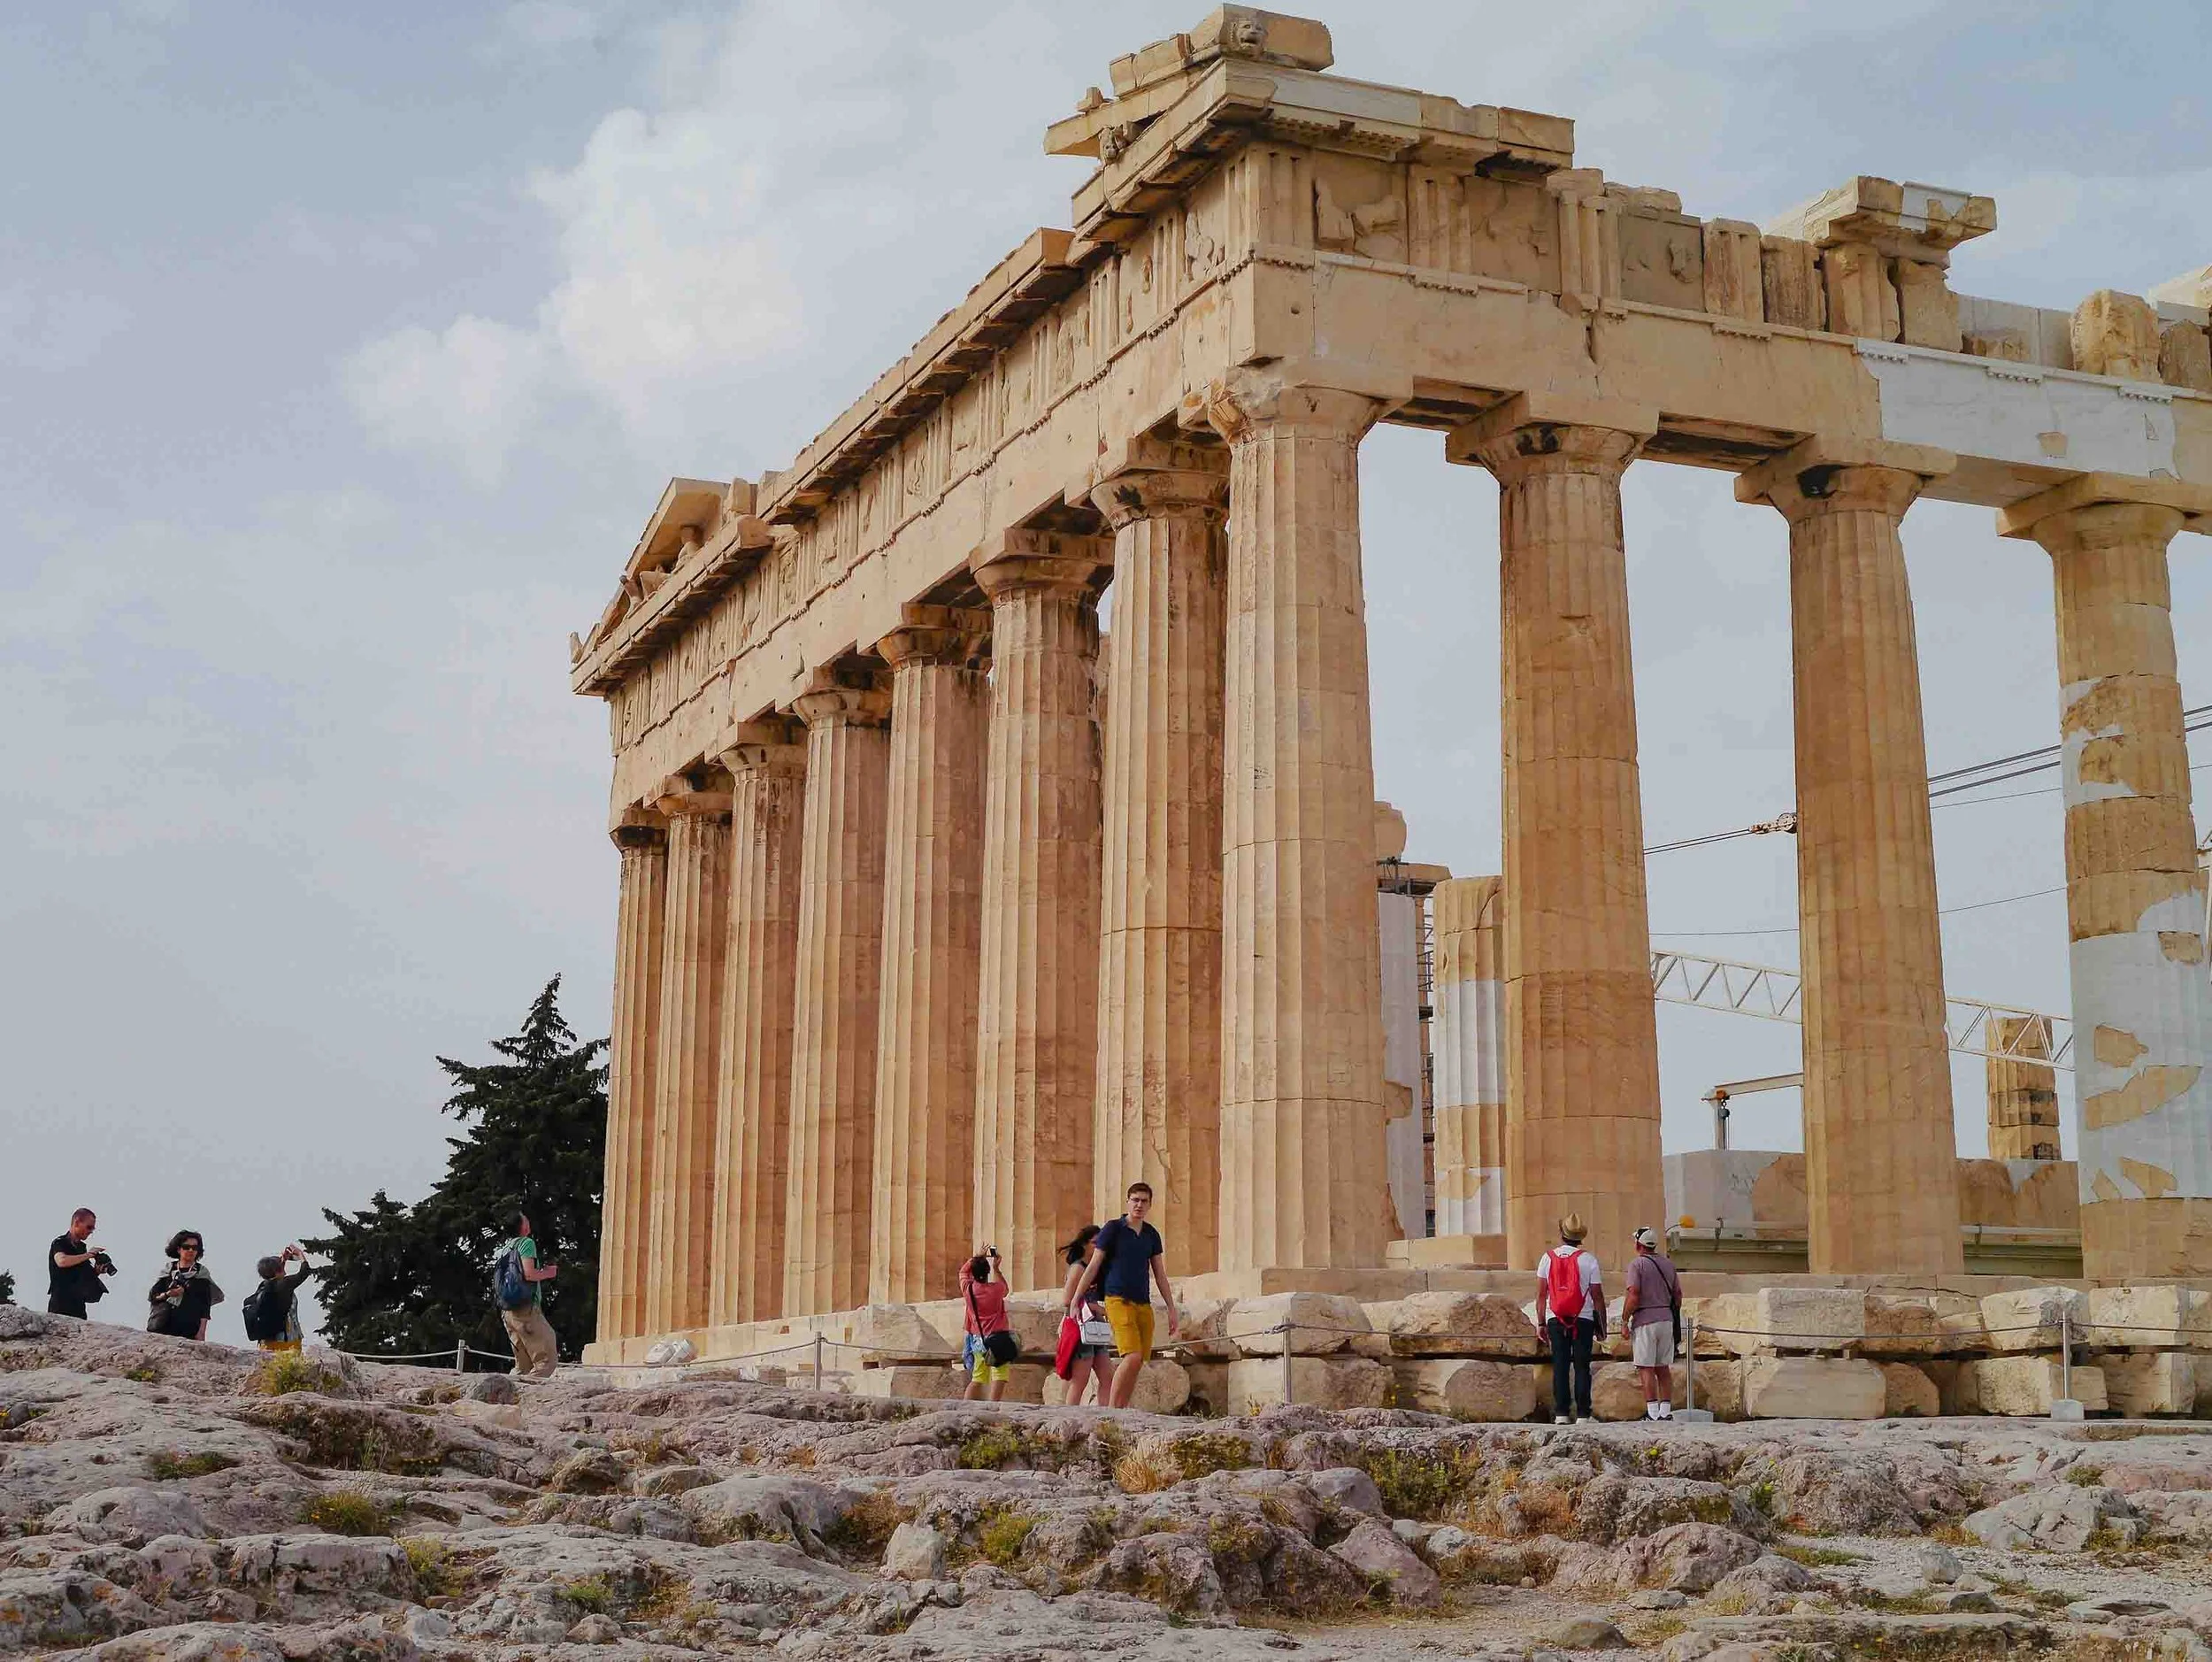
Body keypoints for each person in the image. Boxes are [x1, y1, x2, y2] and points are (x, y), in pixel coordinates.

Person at [1068, 1181, 1180, 1409]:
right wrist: (1075, 1299)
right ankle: (1112, 1410)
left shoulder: (1151, 1234)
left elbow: (1160, 1274)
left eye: (1144, 1201)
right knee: (1132, 1356)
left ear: (1150, 1204)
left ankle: (1121, 1410)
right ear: (1128, 1201)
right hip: (1117, 1299)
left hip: (1143, 1302)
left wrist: (1171, 1308)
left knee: (1139, 1362)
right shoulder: (1113, 1228)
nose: (1139, 1205)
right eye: (1135, 1200)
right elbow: (1093, 1266)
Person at [1533, 1212, 1603, 1425]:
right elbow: (1597, 1295)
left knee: (1560, 1366)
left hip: (1555, 1318)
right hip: (1582, 1319)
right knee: (1582, 1367)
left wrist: (1541, 1322)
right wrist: (1602, 1324)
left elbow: (1541, 1294)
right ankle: (1583, 1414)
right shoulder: (1589, 1260)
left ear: (1561, 1233)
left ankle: (1561, 1413)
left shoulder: (1547, 1258)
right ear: (1581, 1236)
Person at [492, 1211, 561, 1380]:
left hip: (507, 1311)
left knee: (523, 1365)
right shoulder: (526, 1243)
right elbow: (529, 1274)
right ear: (522, 1226)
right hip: (525, 1309)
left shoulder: (504, 1249)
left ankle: (510, 1396)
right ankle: (530, 1394)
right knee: (547, 1359)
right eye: (526, 1219)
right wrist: (548, 1273)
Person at [1624, 1225, 1681, 1420]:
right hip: (1666, 1318)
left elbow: (1634, 1294)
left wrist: (1625, 1319)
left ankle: (1652, 1412)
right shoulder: (1668, 1264)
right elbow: (1678, 1295)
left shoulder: (1636, 1265)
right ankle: (1665, 1412)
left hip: (1645, 1320)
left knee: (1646, 1367)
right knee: (1663, 1367)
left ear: (1638, 1244)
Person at [1055, 1224, 1110, 1405]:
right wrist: (1094, 1308)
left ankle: (1105, 1419)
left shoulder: (1096, 1267)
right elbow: (1067, 1300)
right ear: (1085, 1244)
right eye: (1095, 1243)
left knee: (1107, 1377)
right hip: (1081, 1327)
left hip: (1096, 1328)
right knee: (1080, 1381)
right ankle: (1071, 1419)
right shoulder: (1078, 1268)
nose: (1098, 1246)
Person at [959, 1249, 1014, 1403]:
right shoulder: (996, 1290)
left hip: (978, 1338)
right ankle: (993, 1405)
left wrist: (976, 1257)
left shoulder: (968, 1289)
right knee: (1000, 1374)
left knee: (978, 1377)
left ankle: (965, 1405)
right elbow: (1005, 1289)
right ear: (988, 1271)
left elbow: (963, 1272)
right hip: (998, 1337)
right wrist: (997, 1268)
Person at [148, 1230, 223, 1341]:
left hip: (187, 1330)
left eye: (194, 1248)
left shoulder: (201, 1274)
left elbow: (204, 1307)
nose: (191, 1251)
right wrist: (168, 1294)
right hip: (161, 1325)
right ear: (178, 1249)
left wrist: (201, 1333)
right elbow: (153, 1296)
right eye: (186, 1247)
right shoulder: (168, 1270)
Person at [243, 1244, 313, 1353]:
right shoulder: (284, 1284)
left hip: (267, 1342)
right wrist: (300, 1254)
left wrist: (283, 1259)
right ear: (278, 1270)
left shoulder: (264, 1286)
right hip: (286, 1343)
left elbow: (277, 1275)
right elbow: (304, 1272)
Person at [47, 1208, 116, 1319]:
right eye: (89, 1227)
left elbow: (81, 1277)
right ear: (77, 1223)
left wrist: (96, 1272)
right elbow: (62, 1261)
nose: (91, 1231)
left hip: (78, 1307)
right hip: (60, 1306)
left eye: (93, 1228)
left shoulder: (81, 1248)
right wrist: (89, 1255)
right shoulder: (60, 1242)